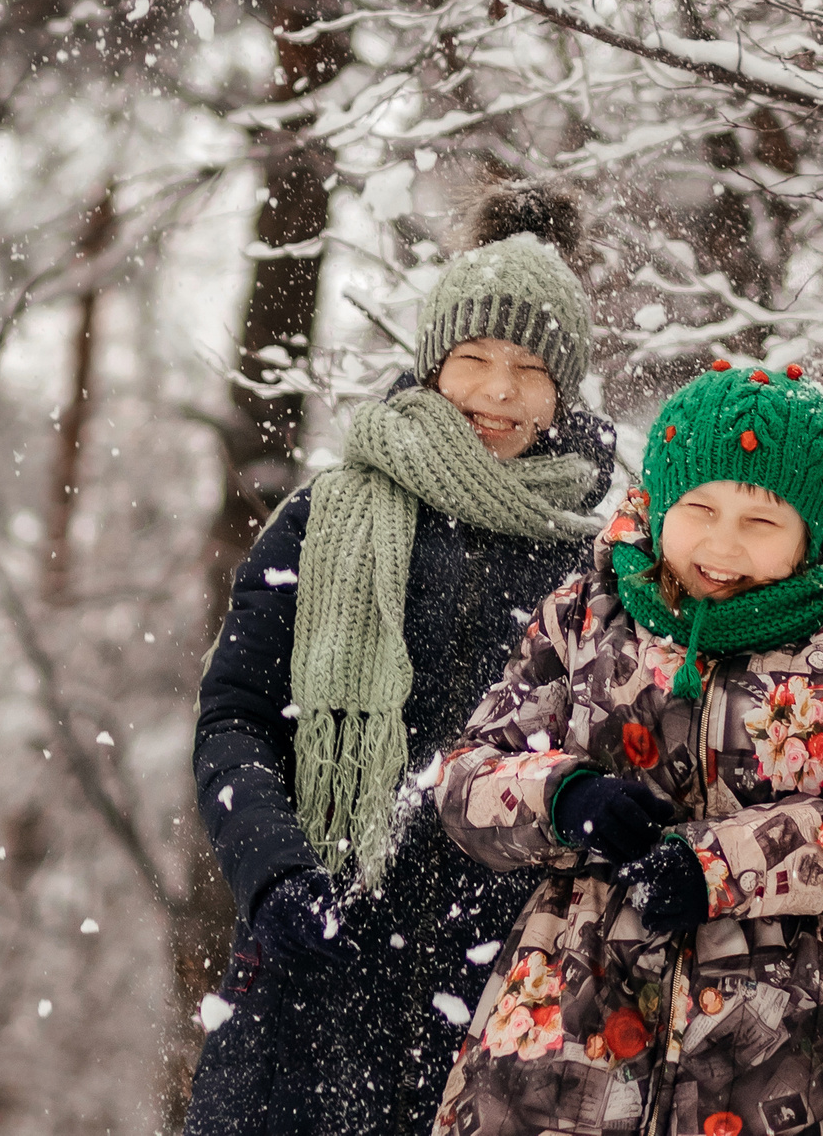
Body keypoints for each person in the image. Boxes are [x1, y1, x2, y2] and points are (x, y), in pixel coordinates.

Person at [430, 360, 823, 1136]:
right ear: (661, 501)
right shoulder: (587, 611)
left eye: (761, 522)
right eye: (700, 509)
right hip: (570, 1023)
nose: (721, 544)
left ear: (810, 534)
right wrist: (566, 798)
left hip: (788, 1039)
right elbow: (465, 775)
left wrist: (717, 867)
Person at [185, 190, 618, 1136]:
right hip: (316, 960)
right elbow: (235, 719)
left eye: (529, 370)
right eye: (473, 360)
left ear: (564, 390)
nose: (497, 393)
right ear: (432, 366)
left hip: (509, 981)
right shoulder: (327, 515)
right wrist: (276, 873)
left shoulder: (605, 563)